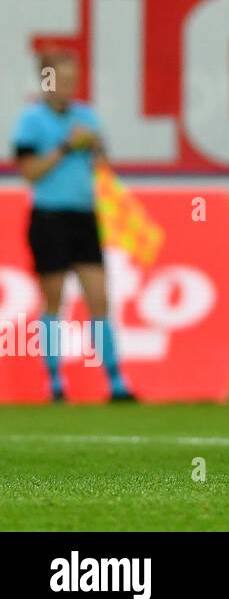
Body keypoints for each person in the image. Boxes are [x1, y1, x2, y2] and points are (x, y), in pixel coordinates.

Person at [12, 48, 132, 403]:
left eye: (72, 80)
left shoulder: (86, 117)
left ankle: (116, 382)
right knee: (54, 301)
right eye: (62, 79)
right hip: (49, 219)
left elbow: (104, 166)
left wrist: (95, 147)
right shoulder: (30, 121)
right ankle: (54, 382)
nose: (69, 86)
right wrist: (66, 147)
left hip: (83, 217)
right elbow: (30, 173)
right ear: (46, 80)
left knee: (99, 298)